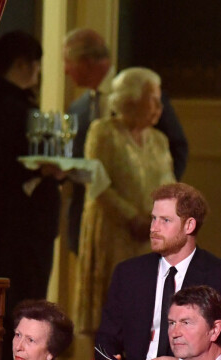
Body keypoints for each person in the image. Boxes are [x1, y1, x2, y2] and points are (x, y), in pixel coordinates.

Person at [96, 183, 221, 360]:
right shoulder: (129, 273)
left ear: (189, 225)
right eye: (153, 219)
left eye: (165, 221)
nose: (153, 228)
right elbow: (105, 337)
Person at [0, 30, 63, 360]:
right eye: (35, 65)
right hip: (19, 223)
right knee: (19, 303)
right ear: (22, 64)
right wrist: (40, 169)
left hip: (20, 221)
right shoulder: (9, 103)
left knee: (22, 302)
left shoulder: (10, 101)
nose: (38, 72)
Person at [63, 28, 188, 253]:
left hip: (148, 227)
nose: (65, 71)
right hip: (100, 224)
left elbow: (176, 148)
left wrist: (157, 204)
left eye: (68, 62)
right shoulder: (78, 108)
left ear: (87, 61)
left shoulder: (143, 88)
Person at [73, 67, 175, 335]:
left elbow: (172, 188)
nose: (159, 106)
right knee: (114, 320)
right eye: (152, 98)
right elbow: (98, 184)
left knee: (150, 321)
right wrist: (132, 218)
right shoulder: (103, 132)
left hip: (152, 239)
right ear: (130, 99)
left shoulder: (159, 140)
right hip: (115, 235)